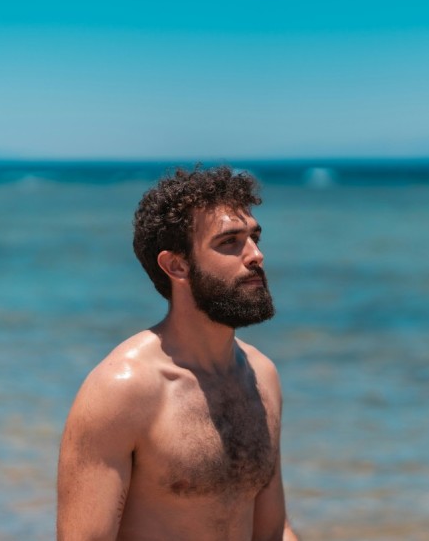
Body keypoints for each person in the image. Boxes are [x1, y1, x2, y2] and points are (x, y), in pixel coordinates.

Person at [57, 165, 298, 540]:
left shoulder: (261, 376)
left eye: (254, 237)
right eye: (230, 242)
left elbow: (273, 530)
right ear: (177, 265)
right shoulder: (122, 391)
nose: (255, 255)